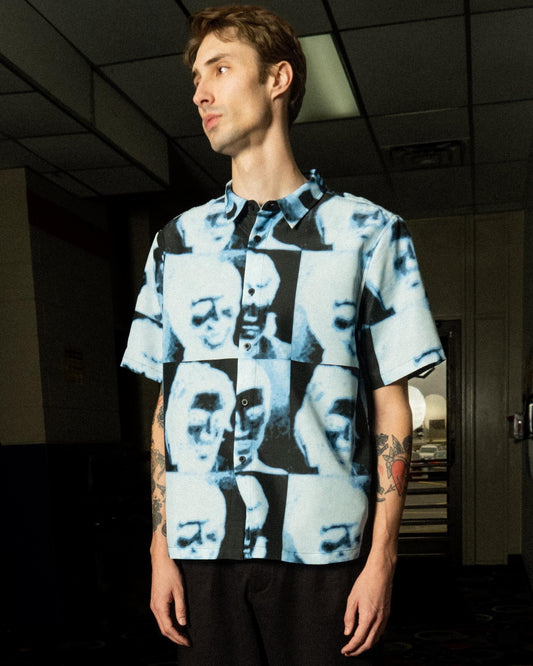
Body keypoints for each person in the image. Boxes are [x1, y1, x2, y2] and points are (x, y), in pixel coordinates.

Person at [121, 4, 445, 664]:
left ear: (277, 78)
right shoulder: (175, 244)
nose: (200, 94)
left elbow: (391, 407)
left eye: (219, 69)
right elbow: (167, 410)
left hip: (323, 547)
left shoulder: (370, 234)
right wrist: (159, 546)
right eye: (195, 79)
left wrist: (383, 558)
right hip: (201, 546)